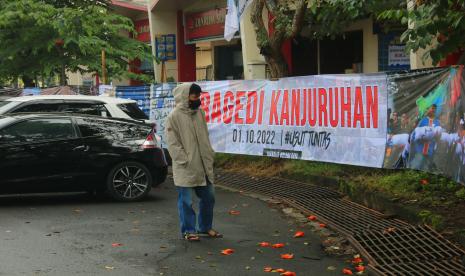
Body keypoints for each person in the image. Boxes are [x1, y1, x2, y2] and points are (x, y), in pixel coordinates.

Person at [165, 83, 221, 241]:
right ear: (185, 96)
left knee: (209, 197)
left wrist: (209, 154)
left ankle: (204, 227)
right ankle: (189, 231)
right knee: (186, 202)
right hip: (186, 167)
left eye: (199, 96)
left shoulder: (200, 113)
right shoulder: (174, 116)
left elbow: (205, 137)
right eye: (195, 96)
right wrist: (184, 159)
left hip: (203, 164)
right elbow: (172, 143)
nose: (198, 99)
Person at [408, 104, 441, 171]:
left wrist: (437, 136)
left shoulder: (437, 122)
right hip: (420, 149)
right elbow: (416, 133)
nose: (433, 110)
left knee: (426, 170)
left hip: (430, 150)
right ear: (428, 109)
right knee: (416, 167)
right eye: (432, 108)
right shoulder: (423, 120)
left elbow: (438, 137)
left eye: (435, 109)